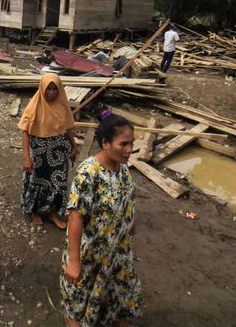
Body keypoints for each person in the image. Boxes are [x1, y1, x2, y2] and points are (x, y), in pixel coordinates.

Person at [60, 110, 142, 326]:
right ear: (106, 143)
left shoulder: (122, 170)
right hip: (90, 253)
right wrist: (74, 261)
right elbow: (76, 217)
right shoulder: (89, 173)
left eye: (131, 143)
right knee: (79, 298)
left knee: (112, 294)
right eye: (123, 144)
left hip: (116, 252)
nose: (130, 150)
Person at [18, 73, 79, 229]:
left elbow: (67, 129)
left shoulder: (62, 105)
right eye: (48, 89)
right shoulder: (35, 105)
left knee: (57, 183)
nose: (51, 93)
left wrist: (74, 146)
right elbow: (25, 131)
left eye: (54, 89)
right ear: (42, 88)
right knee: (36, 181)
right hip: (39, 153)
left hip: (59, 153)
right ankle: (34, 211)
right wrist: (26, 156)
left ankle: (52, 212)